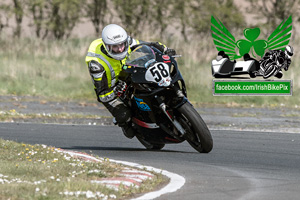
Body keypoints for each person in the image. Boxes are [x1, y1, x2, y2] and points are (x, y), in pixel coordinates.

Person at [85, 24, 176, 139]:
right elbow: (102, 93)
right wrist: (115, 91)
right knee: (124, 116)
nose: (120, 49)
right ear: (107, 46)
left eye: (122, 45)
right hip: (111, 87)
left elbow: (147, 45)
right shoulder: (96, 63)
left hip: (128, 72)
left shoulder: (126, 41)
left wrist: (164, 50)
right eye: (115, 47)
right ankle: (125, 124)